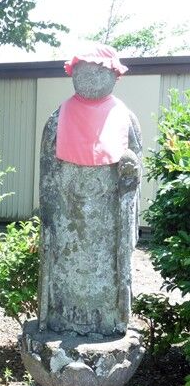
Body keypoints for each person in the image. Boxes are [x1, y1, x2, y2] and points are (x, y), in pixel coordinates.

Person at [38, 45, 142, 336]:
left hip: (107, 216)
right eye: (83, 71)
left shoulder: (124, 117)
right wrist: (50, 212)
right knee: (66, 264)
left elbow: (135, 165)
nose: (90, 77)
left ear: (114, 75)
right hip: (68, 214)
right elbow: (47, 169)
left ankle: (107, 317)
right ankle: (62, 315)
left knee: (104, 268)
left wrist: (130, 173)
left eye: (98, 71)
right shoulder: (59, 117)